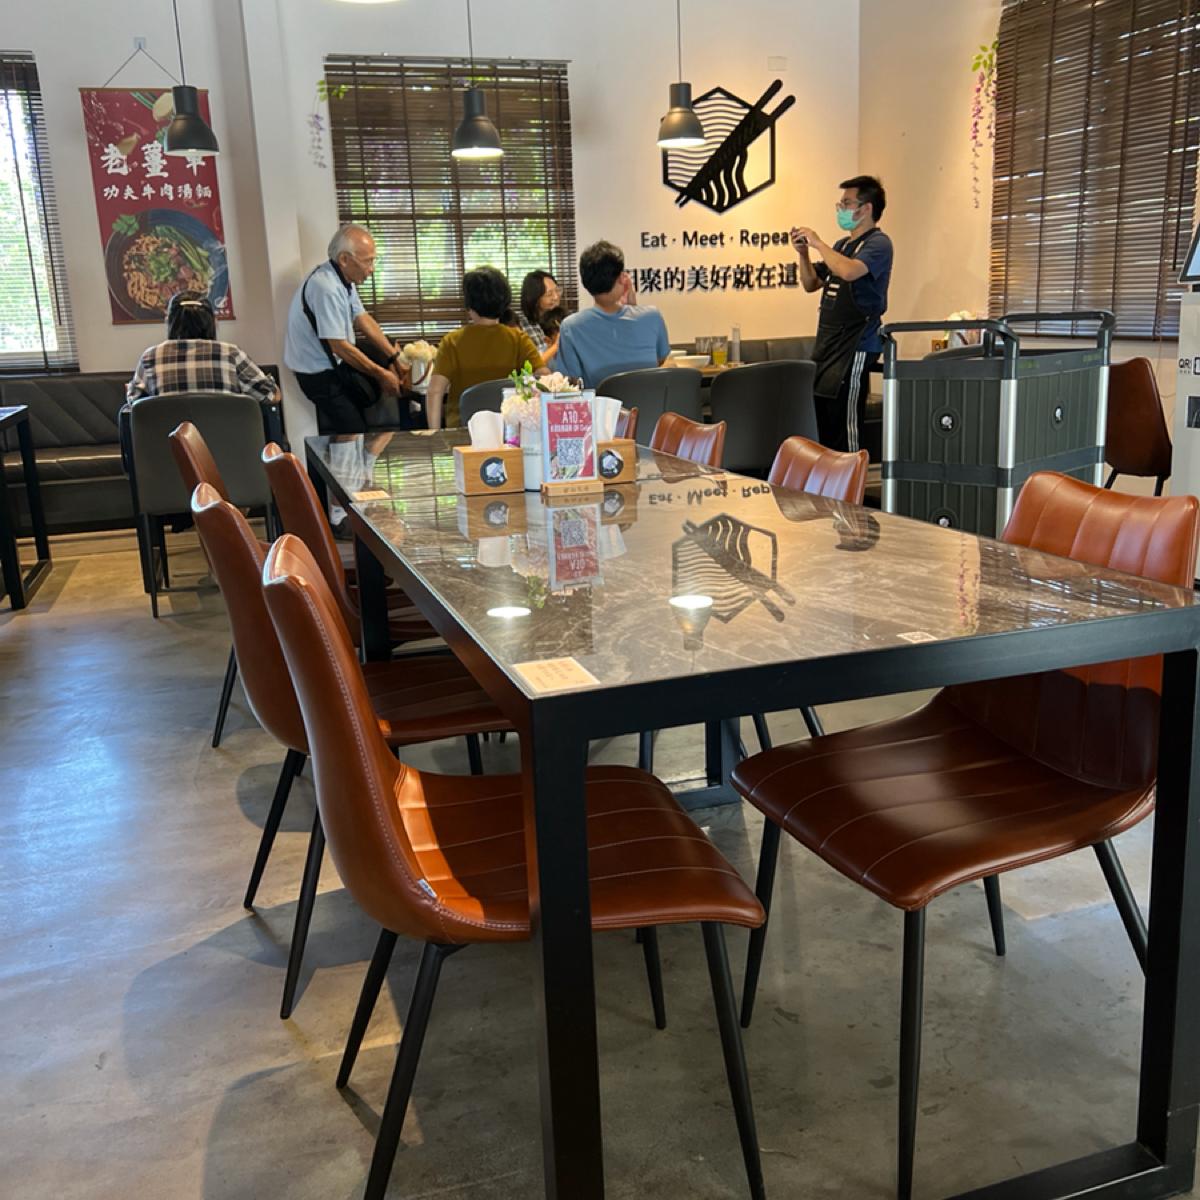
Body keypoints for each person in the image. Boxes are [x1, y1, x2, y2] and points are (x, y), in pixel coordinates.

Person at [791, 175, 893, 453]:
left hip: (856, 345)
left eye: (847, 203)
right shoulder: (841, 246)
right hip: (829, 345)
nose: (841, 209)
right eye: (841, 204)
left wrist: (817, 243)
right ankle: (826, 479)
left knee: (846, 429)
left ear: (866, 208)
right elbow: (811, 283)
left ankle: (850, 479)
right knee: (824, 423)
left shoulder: (879, 244)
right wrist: (803, 254)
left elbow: (849, 271)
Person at [284, 224, 408, 434]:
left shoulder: (343, 279)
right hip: (317, 375)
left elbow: (362, 318)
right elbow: (339, 346)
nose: (372, 269)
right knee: (354, 432)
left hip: (335, 362)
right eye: (367, 261)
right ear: (344, 259)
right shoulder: (325, 287)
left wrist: (394, 356)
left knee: (386, 346)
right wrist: (381, 375)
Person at [426, 267, 547, 429]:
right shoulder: (519, 339)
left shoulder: (452, 342)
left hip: (463, 431)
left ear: (469, 303)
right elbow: (544, 378)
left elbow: (435, 392)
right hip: (508, 430)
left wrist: (434, 435)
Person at [555, 241, 672, 389]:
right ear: (621, 278)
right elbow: (657, 362)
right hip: (650, 403)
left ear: (586, 282)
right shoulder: (652, 317)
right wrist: (633, 308)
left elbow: (571, 380)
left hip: (601, 404)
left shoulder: (571, 327)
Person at [126, 291, 277, 403]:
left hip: (170, 438)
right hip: (227, 437)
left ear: (170, 322)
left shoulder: (150, 357)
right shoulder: (231, 354)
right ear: (213, 322)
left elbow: (135, 402)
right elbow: (271, 396)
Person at [516, 270, 563, 360]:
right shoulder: (522, 324)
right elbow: (534, 362)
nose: (556, 297)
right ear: (535, 298)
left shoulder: (561, 317)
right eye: (549, 294)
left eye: (557, 291)